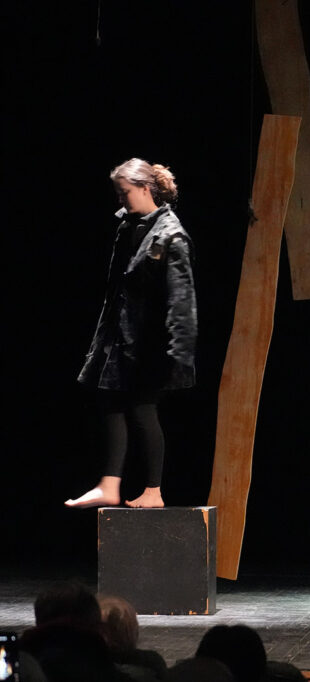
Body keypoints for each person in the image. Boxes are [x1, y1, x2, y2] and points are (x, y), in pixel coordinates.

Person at [66, 158, 198, 509]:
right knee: (109, 399)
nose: (121, 199)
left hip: (151, 344)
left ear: (144, 188)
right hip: (122, 336)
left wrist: (178, 353)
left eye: (125, 192)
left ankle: (153, 491)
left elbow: (182, 300)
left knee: (142, 409)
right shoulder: (128, 227)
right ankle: (109, 485)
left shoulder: (171, 235)